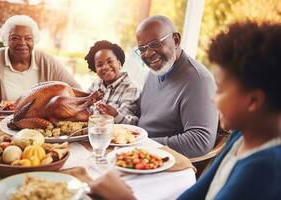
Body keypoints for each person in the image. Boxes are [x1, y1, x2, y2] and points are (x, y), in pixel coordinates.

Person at [89, 21, 281, 200]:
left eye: (220, 89)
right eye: (142, 49)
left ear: (253, 101)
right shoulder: (241, 138)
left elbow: (200, 140)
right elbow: (194, 195)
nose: (213, 99)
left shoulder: (265, 170)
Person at [136, 15, 218, 157]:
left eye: (155, 44)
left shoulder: (198, 79)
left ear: (175, 40)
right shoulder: (155, 72)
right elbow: (143, 116)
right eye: (142, 49)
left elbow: (200, 140)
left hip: (165, 164)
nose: (148, 53)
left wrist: (143, 145)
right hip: (138, 153)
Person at [0, 15, 81, 102]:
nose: (22, 43)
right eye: (15, 38)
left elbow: (76, 90)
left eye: (28, 38)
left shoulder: (47, 62)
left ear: (34, 40)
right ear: (6, 40)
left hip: (40, 121)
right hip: (0, 122)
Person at [85, 40, 140, 125]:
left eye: (110, 61)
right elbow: (85, 106)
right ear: (95, 68)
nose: (105, 67)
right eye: (99, 65)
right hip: (93, 133)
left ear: (119, 62)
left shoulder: (130, 88)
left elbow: (131, 124)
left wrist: (115, 115)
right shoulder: (96, 84)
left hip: (116, 135)